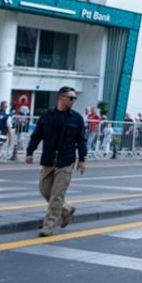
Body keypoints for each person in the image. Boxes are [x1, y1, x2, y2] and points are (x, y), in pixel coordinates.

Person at [25, 86, 87, 236]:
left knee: (57, 194)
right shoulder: (47, 116)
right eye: (70, 98)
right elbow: (37, 135)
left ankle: (49, 225)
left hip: (66, 160)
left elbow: (81, 140)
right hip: (48, 158)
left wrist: (82, 159)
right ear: (61, 98)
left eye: (75, 98)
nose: (73, 101)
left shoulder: (76, 118)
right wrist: (30, 152)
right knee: (44, 190)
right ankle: (66, 210)